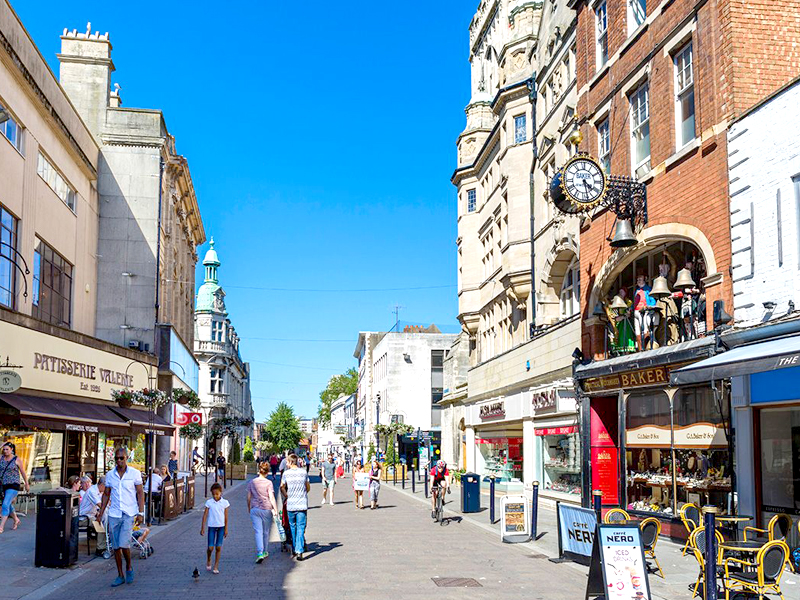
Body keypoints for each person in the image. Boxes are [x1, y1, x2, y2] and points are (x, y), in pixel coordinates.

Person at [97, 447, 144, 587]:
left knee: (124, 544)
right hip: (114, 514)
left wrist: (141, 513)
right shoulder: (110, 475)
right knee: (116, 547)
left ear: (127, 458)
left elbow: (140, 493)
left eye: (121, 458)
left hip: (129, 513)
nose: (118, 461)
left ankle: (129, 566)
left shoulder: (135, 474)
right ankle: (120, 575)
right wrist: (101, 513)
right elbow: (106, 494)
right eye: (116, 458)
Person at [280, 454, 310, 561]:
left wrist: (287, 495)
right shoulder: (303, 472)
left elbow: (281, 486)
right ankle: (299, 551)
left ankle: (294, 548)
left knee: (293, 527)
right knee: (301, 527)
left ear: (290, 462)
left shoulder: (286, 474)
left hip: (291, 504)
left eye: (287, 462)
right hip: (302, 504)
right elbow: (308, 487)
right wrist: (302, 493)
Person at [247, 462, 278, 563]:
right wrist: (276, 509)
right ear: (267, 472)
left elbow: (248, 497)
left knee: (258, 531)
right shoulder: (268, 483)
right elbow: (272, 497)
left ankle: (260, 552)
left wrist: (249, 508)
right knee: (266, 531)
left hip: (255, 509)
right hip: (266, 509)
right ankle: (265, 551)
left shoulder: (252, 482)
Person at [0, 441, 29, 533]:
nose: (5, 451)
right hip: (3, 485)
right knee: (8, 503)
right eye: (4, 449)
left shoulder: (16, 459)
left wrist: (26, 483)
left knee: (5, 505)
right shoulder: (1, 458)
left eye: (7, 449)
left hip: (14, 485)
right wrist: (1, 445)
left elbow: (23, 472)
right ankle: (16, 519)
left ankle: (1, 527)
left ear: (12, 450)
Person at [200, 482, 229, 574]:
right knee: (210, 547)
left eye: (217, 494)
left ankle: (216, 565)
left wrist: (226, 529)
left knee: (218, 547)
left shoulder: (225, 503)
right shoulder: (209, 502)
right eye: (213, 494)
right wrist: (202, 527)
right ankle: (209, 558)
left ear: (221, 493)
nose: (215, 496)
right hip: (211, 526)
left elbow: (226, 517)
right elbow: (205, 515)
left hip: (221, 527)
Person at [80, 476, 108, 557]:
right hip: (84, 517)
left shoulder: (99, 491)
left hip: (91, 515)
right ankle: (100, 549)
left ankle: (104, 544)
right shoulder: (92, 491)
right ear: (102, 485)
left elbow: (106, 502)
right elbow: (101, 505)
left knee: (104, 521)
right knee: (101, 527)